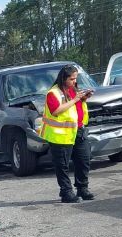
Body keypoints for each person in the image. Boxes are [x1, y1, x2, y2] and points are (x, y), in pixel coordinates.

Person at [39, 65, 94, 203]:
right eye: (72, 79)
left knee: (84, 160)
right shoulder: (53, 93)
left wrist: (83, 99)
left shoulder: (73, 90)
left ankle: (82, 188)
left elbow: (75, 109)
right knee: (62, 165)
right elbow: (56, 111)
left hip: (78, 131)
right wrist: (75, 99)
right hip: (61, 135)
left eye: (76, 78)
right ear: (63, 78)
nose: (74, 81)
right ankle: (66, 192)